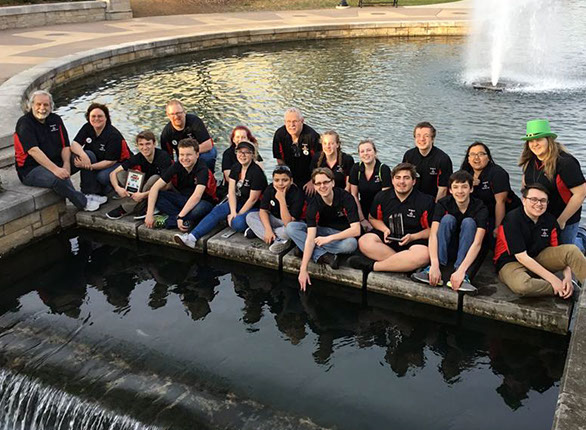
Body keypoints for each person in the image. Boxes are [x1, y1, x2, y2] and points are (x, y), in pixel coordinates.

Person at [494, 184, 586, 298]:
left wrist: (568, 277)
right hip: (511, 261)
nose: (538, 204)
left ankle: (576, 284)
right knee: (522, 286)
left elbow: (560, 251)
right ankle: (562, 289)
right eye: (533, 199)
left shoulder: (550, 220)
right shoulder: (512, 219)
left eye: (543, 201)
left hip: (538, 257)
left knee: (571, 250)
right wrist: (554, 281)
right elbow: (521, 256)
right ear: (524, 200)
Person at [14, 90, 99, 211]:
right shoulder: (24, 123)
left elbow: (65, 146)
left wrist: (66, 164)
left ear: (51, 106)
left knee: (88, 156)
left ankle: (89, 193)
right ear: (31, 105)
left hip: (57, 161)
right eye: (38, 104)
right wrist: (56, 170)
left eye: (46, 105)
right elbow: (33, 150)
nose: (42, 108)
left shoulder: (55, 120)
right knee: (58, 178)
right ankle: (83, 203)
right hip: (31, 169)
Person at [174, 141, 267, 248]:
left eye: (246, 152)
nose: (243, 155)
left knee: (237, 223)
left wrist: (237, 214)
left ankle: (251, 228)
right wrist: (232, 212)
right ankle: (192, 237)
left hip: (255, 207)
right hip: (239, 201)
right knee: (217, 211)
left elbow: (253, 199)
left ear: (253, 155)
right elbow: (231, 192)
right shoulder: (236, 167)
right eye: (240, 152)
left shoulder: (256, 173)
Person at [348, 163, 434, 273]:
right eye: (398, 178)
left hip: (413, 239)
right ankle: (405, 264)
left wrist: (413, 237)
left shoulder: (426, 201)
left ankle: (373, 266)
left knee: (424, 255)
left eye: (406, 178)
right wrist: (384, 229)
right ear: (392, 180)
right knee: (364, 241)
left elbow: (432, 230)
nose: (401, 182)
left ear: (413, 181)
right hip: (388, 238)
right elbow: (372, 218)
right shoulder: (382, 196)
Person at [286, 168, 361, 291]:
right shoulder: (313, 204)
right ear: (314, 186)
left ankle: (303, 249)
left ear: (333, 183)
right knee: (291, 227)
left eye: (326, 182)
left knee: (351, 244)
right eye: (318, 184)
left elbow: (356, 230)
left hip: (341, 235)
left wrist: (328, 239)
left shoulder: (346, 198)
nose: (322, 186)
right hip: (320, 232)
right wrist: (303, 269)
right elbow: (311, 237)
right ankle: (322, 255)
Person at [412, 170, 488, 291]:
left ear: (471, 189)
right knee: (447, 219)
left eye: (464, 187)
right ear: (450, 190)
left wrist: (462, 270)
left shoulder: (480, 207)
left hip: (467, 249)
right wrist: (434, 264)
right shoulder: (443, 204)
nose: (460, 191)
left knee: (469, 222)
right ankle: (435, 267)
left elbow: (477, 242)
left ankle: (461, 273)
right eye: (455, 187)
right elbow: (433, 235)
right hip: (447, 247)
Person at [519, 119, 586, 245]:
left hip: (564, 219)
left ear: (549, 140)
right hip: (540, 218)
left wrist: (561, 220)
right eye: (531, 141)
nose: (535, 144)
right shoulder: (529, 162)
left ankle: (582, 238)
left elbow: (581, 193)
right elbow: (525, 189)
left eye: (539, 139)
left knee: (565, 255)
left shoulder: (566, 163)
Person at [145, 138, 217, 230]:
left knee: (199, 210)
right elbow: (155, 187)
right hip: (183, 199)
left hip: (202, 201)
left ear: (197, 155)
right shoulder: (177, 165)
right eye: (182, 155)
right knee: (157, 195)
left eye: (189, 155)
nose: (185, 158)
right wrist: (149, 214)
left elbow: (197, 196)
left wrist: (181, 216)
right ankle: (186, 219)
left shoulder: (202, 169)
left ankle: (171, 220)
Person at [70, 102, 131, 200]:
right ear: (88, 117)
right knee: (86, 155)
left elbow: (110, 162)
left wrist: (89, 166)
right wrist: (83, 155)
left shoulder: (113, 135)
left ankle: (108, 188)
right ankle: (88, 192)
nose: (96, 119)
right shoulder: (87, 127)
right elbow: (74, 144)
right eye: (93, 116)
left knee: (102, 176)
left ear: (106, 117)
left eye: (100, 116)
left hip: (119, 163)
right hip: (98, 160)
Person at [106, 130, 172, 220]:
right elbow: (113, 173)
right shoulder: (139, 156)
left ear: (154, 144)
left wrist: (143, 195)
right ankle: (141, 202)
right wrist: (118, 188)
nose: (144, 148)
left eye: (148, 144)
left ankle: (125, 208)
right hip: (146, 186)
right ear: (137, 146)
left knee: (155, 178)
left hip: (162, 189)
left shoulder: (163, 157)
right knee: (121, 174)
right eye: (141, 144)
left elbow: (168, 185)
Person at [460, 141, 520, 239]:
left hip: (504, 213)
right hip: (482, 213)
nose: (476, 158)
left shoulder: (497, 173)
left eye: (481, 154)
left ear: (488, 157)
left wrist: (498, 227)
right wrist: (467, 184)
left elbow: (501, 202)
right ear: (468, 159)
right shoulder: (465, 174)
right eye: (472, 154)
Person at [245, 165, 305, 253]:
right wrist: (268, 230)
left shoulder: (297, 194)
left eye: (285, 180)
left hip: (291, 224)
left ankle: (263, 233)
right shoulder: (270, 189)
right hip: (274, 219)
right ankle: (278, 240)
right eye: (277, 180)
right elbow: (263, 210)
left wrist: (282, 200)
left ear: (291, 181)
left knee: (288, 231)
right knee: (250, 216)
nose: (280, 183)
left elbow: (288, 223)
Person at [272, 107, 321, 194]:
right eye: (288, 121)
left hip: (309, 176)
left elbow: (319, 161)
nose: (292, 125)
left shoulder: (312, 136)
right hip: (290, 176)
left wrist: (313, 181)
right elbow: (280, 160)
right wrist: (287, 180)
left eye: (295, 121)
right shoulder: (280, 135)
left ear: (302, 121)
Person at [160, 99, 217, 171]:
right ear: (168, 115)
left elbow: (208, 145)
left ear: (184, 112)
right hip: (182, 157)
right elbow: (167, 157)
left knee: (209, 155)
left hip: (200, 152)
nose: (176, 116)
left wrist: (190, 154)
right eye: (172, 114)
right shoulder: (166, 134)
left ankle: (209, 176)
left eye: (179, 113)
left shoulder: (195, 121)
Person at [402, 121, 453, 201]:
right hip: (412, 200)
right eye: (418, 136)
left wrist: (435, 209)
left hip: (434, 200)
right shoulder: (409, 155)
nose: (422, 139)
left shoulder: (443, 159)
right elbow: (404, 181)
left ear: (432, 139)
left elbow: (443, 190)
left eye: (426, 136)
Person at [349, 139, 391, 232]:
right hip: (361, 209)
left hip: (379, 211)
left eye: (369, 150)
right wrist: (362, 219)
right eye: (362, 151)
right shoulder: (356, 169)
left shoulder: (383, 169)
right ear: (359, 154)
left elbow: (385, 198)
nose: (365, 153)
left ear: (375, 152)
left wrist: (374, 220)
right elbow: (354, 195)